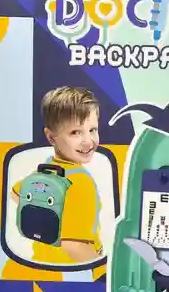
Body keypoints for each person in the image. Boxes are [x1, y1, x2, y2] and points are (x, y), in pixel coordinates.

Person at [12, 86, 103, 264]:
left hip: (42, 263)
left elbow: (16, 194)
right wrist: (101, 266)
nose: (88, 141)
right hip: (76, 270)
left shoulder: (46, 169)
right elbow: (73, 246)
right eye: (75, 132)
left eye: (92, 130)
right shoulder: (81, 182)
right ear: (51, 137)